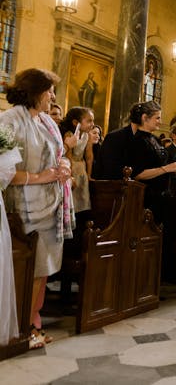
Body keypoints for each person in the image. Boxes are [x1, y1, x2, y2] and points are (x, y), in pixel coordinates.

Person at [0, 68, 74, 349]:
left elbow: (60, 153)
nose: (53, 96)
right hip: (22, 209)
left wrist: (64, 166)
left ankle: (33, 321)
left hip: (50, 205)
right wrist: (39, 177)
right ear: (35, 92)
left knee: (41, 270)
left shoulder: (46, 121)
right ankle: (20, 326)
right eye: (49, 91)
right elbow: (3, 170)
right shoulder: (10, 121)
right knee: (26, 269)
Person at [59, 107, 95, 222]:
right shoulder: (69, 135)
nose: (92, 124)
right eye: (89, 121)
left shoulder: (87, 136)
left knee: (83, 198)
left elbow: (89, 156)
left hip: (82, 169)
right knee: (73, 200)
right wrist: (71, 175)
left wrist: (88, 175)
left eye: (92, 121)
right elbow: (68, 156)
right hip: (72, 167)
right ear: (76, 123)